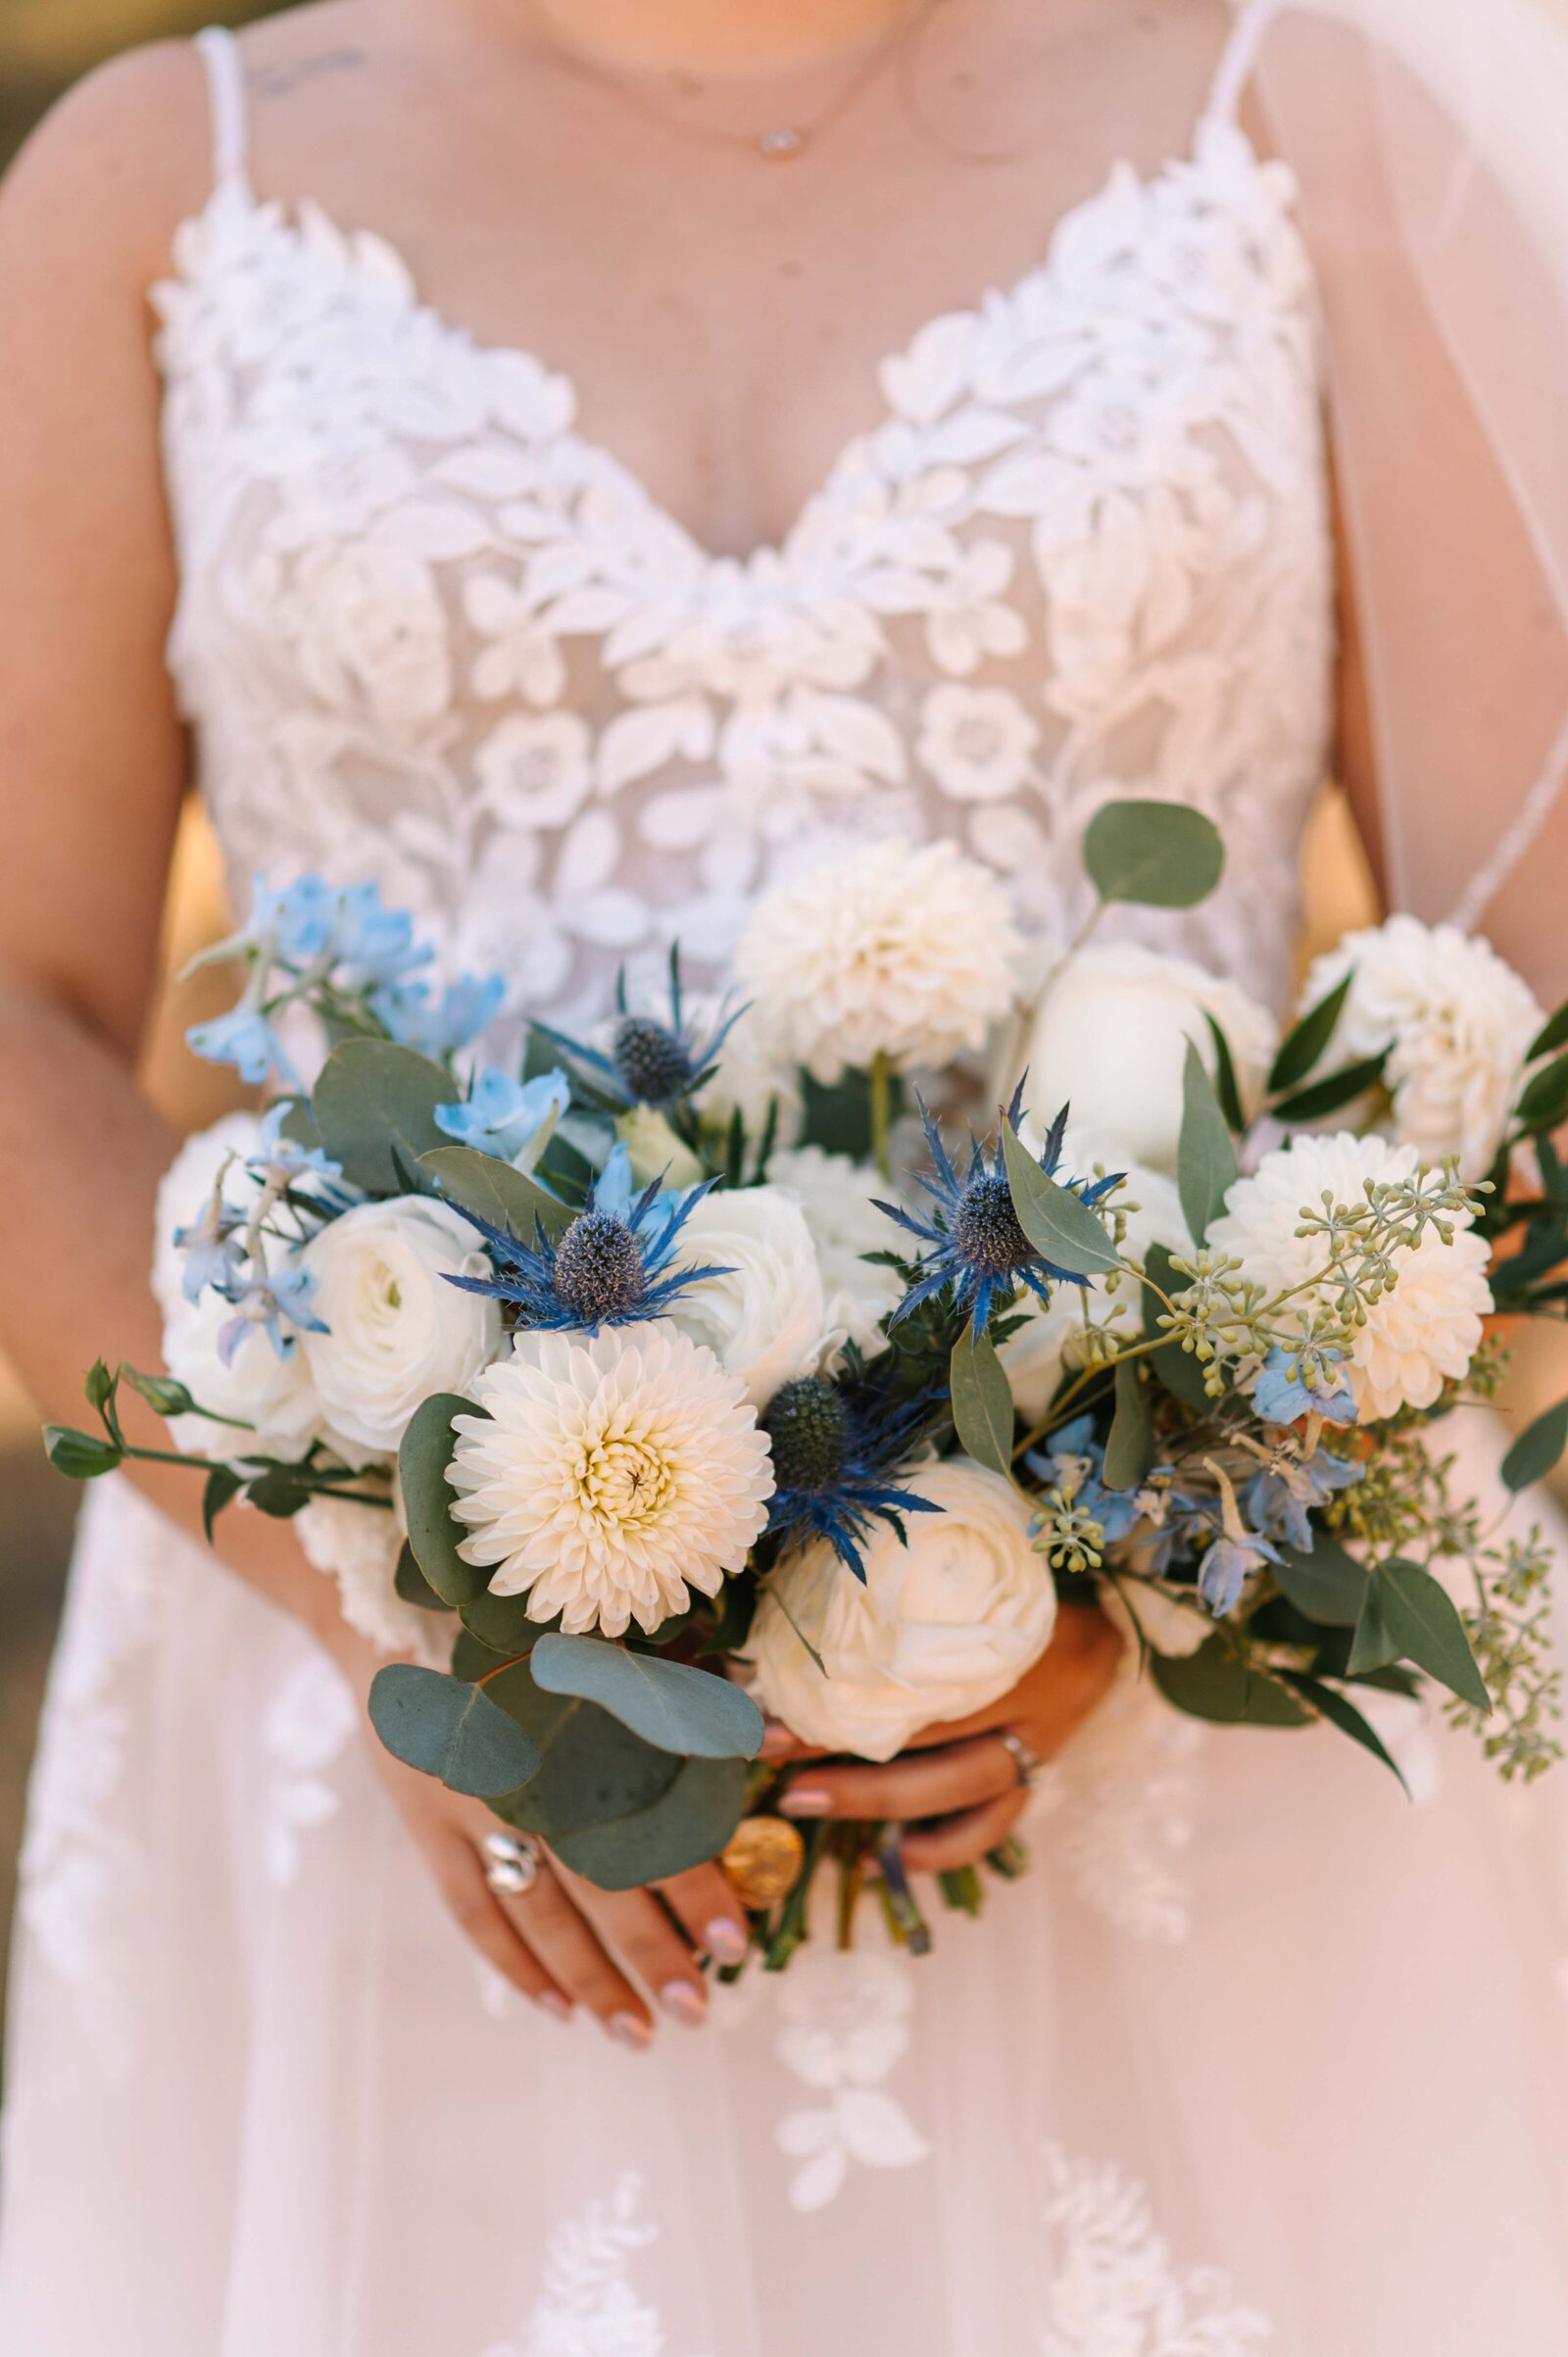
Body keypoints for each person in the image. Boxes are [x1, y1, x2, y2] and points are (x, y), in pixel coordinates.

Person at [0, 1, 1566, 2348]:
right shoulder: (162, 173)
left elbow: (1513, 997)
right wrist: (381, 1616)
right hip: (395, 1803)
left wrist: (1143, 1559)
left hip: (1184, 1764)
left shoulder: (1294, 110)